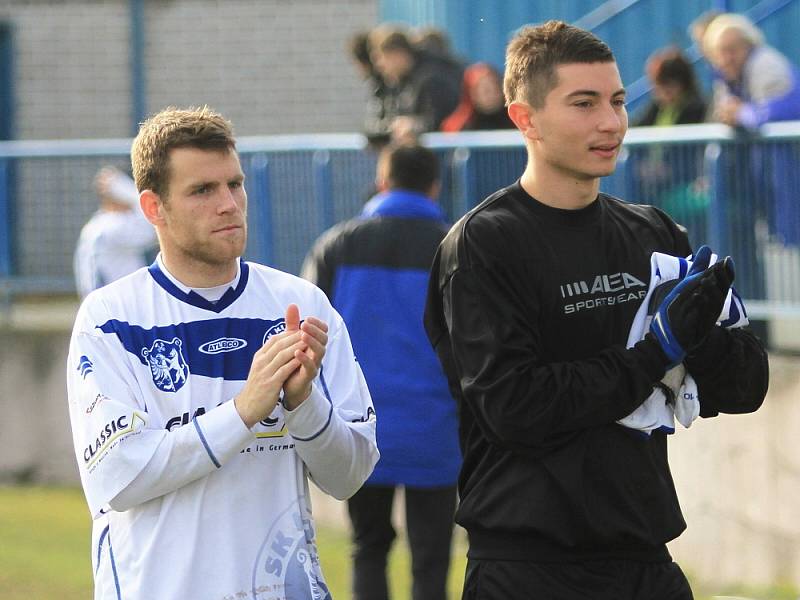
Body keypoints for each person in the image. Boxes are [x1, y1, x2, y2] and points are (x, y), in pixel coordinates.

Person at [424, 20, 769, 600]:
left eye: (615, 101)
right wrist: (655, 352)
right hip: (527, 565)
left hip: (645, 557)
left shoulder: (652, 232)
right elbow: (517, 407)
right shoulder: (485, 244)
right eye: (583, 104)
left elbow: (745, 390)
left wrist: (704, 339)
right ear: (524, 118)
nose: (610, 122)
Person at [66, 106, 379, 600]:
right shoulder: (111, 319)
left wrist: (303, 405)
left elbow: (350, 477)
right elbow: (118, 476)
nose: (229, 204)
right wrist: (243, 411)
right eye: (202, 190)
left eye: (234, 184)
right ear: (152, 208)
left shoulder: (300, 305)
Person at [301, 143, 460, 600]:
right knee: (432, 556)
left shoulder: (337, 245)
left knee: (367, 547)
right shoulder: (454, 248)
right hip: (436, 428)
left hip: (359, 430)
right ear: (435, 185)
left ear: (382, 182)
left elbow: (306, 339)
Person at [630, 48, 708, 232]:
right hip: (654, 185)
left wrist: (667, 171)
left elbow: (692, 156)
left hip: (682, 185)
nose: (659, 93)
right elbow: (633, 129)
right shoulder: (657, 107)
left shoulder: (697, 109)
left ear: (680, 84)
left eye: (665, 86)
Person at [73, 165, 158, 299]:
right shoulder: (115, 226)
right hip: (119, 306)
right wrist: (124, 188)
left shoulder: (98, 223)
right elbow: (154, 225)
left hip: (105, 303)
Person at [369, 26, 461, 143]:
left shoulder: (431, 78)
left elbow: (440, 121)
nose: (380, 67)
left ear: (397, 54)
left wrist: (413, 125)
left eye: (382, 58)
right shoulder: (406, 80)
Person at [441, 62, 516, 132]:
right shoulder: (457, 129)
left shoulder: (519, 119)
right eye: (484, 90)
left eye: (494, 87)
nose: (491, 94)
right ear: (471, 94)